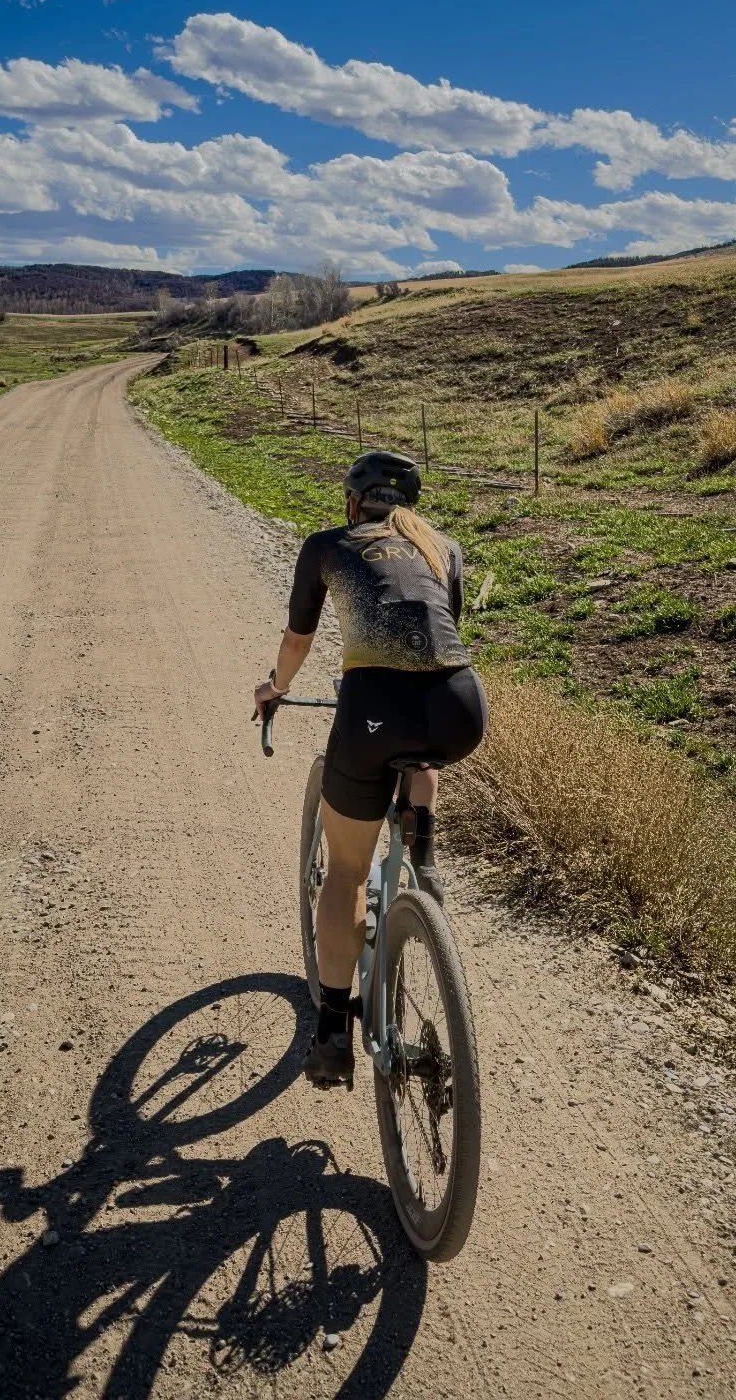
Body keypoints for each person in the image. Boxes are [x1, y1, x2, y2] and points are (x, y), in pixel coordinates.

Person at [253, 450, 487, 1090]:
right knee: (421, 749)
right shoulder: (444, 547)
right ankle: (425, 857)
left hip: (373, 710)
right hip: (461, 707)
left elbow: (298, 642)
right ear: (409, 505)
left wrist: (275, 687)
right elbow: (437, 638)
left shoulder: (328, 545)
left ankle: (332, 1030)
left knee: (348, 870)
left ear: (353, 503)